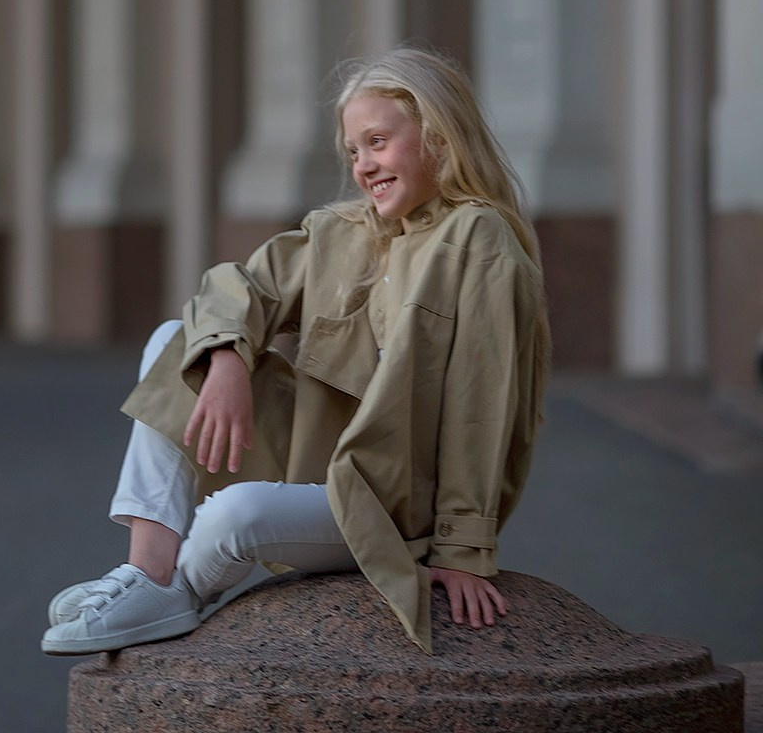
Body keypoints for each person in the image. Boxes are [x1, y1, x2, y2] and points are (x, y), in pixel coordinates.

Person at [41, 45, 549, 658]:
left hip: (389, 507)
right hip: (316, 469)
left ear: (439, 135)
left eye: (379, 142)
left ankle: (175, 594)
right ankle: (148, 574)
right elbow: (236, 287)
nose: (364, 165)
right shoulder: (342, 232)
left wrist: (463, 548)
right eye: (354, 151)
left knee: (237, 515)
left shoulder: (478, 237)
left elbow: (480, 403)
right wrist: (227, 359)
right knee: (176, 341)